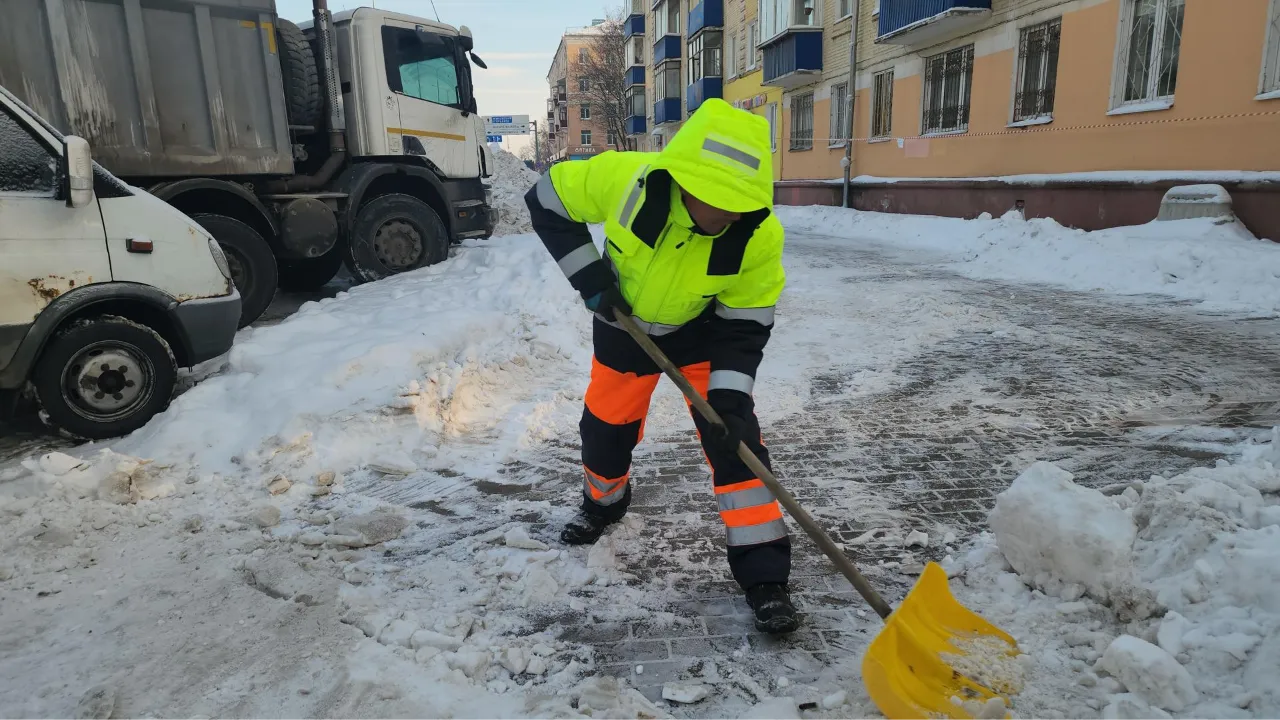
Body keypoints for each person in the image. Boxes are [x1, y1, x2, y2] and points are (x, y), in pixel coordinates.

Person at [523, 99, 796, 634]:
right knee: (604, 431)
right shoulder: (624, 179)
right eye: (713, 200)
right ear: (679, 178)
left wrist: (731, 399)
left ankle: (766, 578)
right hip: (625, 331)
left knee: (736, 445)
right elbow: (545, 200)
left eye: (736, 204)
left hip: (703, 338)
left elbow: (745, 323)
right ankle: (603, 504)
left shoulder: (758, 236)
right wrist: (591, 279)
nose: (724, 215)